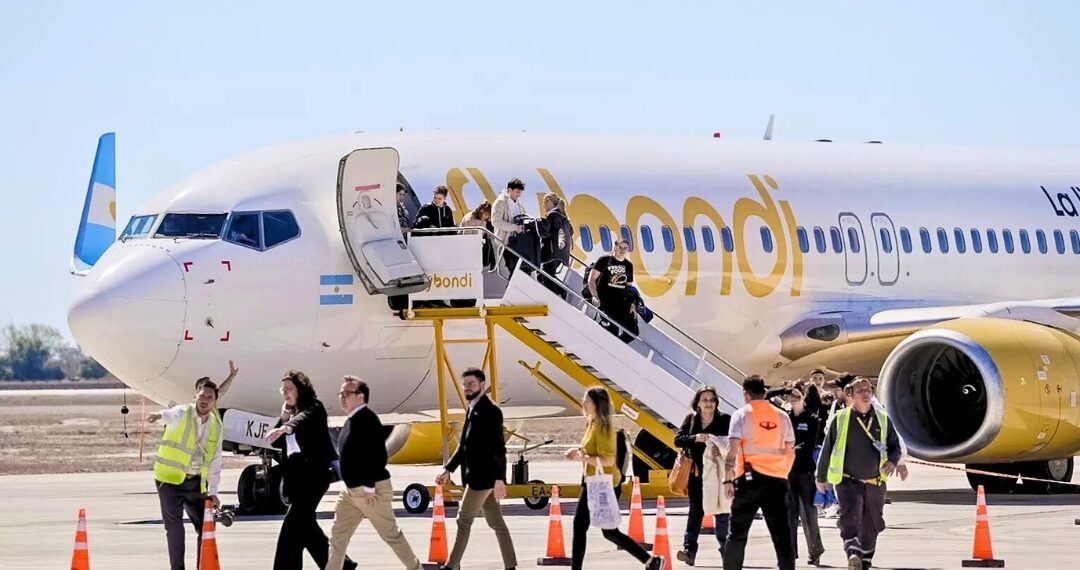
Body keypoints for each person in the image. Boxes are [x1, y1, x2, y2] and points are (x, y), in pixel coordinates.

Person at [566, 387, 666, 570]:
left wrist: (581, 457)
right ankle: (651, 561)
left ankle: (651, 561)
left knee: (583, 527)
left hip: (603, 484)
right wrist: (578, 452)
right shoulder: (592, 423)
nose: (583, 403)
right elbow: (592, 451)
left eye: (586, 401)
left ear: (596, 404)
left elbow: (608, 460)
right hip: (593, 482)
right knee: (606, 531)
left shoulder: (604, 427)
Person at [327, 376, 421, 570]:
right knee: (338, 535)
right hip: (351, 492)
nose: (342, 397)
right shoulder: (351, 420)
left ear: (360, 397)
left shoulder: (368, 420)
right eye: (341, 394)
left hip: (371, 490)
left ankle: (415, 568)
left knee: (391, 535)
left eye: (347, 393)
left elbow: (377, 457)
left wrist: (369, 487)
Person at [817, 377, 906, 570]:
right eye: (860, 391)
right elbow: (827, 448)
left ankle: (865, 559)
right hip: (848, 481)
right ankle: (853, 553)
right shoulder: (840, 419)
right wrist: (821, 476)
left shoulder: (882, 418)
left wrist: (893, 461)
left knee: (872, 523)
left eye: (868, 390)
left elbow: (894, 445)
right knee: (849, 517)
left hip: (875, 481)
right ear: (851, 395)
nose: (865, 394)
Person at [435, 368, 517, 570]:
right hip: (477, 476)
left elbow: (499, 447)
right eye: (465, 385)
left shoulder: (490, 411)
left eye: (471, 384)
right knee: (497, 523)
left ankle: (451, 566)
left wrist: (499, 479)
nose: (467, 388)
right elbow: (464, 445)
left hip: (483, 478)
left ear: (482, 384)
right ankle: (511, 566)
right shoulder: (472, 408)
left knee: (463, 520)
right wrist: (449, 469)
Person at [265, 370, 347, 570]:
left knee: (290, 530)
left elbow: (303, 419)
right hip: (295, 480)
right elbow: (275, 443)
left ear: (300, 389)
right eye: (283, 390)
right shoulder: (289, 415)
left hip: (314, 477)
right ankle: (341, 566)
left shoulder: (314, 408)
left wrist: (286, 427)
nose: (285, 394)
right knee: (308, 531)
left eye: (289, 389)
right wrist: (283, 418)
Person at [146, 378, 224, 570]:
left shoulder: (216, 425)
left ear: (215, 401)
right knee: (174, 529)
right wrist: (158, 415)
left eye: (210, 397)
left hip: (196, 483)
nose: (205, 400)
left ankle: (203, 566)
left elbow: (215, 460)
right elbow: (171, 415)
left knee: (207, 527)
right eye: (202, 395)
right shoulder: (183, 412)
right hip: (169, 481)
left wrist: (213, 491)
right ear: (195, 396)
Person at [722, 375, 797, 570]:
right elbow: (790, 448)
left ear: (746, 395)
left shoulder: (741, 415)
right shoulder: (782, 415)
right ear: (764, 392)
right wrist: (783, 471)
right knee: (782, 535)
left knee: (737, 534)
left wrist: (727, 481)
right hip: (777, 481)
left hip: (748, 480)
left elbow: (731, 453)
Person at [674, 386, 732, 566]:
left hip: (717, 474)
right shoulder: (691, 420)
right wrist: (694, 438)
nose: (709, 403)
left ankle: (727, 553)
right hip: (697, 474)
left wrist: (720, 447)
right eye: (705, 400)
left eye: (712, 400)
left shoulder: (725, 420)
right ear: (697, 403)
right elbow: (677, 440)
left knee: (721, 513)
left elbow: (733, 443)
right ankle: (689, 551)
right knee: (695, 512)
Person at [785, 385, 825, 566]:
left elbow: (809, 443)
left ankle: (815, 551)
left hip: (805, 471)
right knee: (789, 514)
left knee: (808, 513)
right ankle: (790, 553)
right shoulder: (785, 418)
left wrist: (793, 447)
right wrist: (783, 391)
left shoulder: (811, 419)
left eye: (797, 395)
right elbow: (767, 396)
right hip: (787, 471)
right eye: (790, 396)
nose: (793, 398)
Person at [588, 239, 637, 342]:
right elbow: (592, 279)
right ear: (615, 248)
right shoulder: (604, 260)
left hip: (621, 303)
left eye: (625, 248)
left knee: (633, 331)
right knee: (612, 328)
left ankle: (616, 345)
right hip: (605, 301)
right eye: (620, 247)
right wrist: (594, 296)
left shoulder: (629, 265)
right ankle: (608, 344)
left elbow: (629, 288)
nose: (622, 250)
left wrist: (632, 304)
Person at [537, 192, 573, 297]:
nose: (543, 205)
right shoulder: (562, 217)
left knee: (546, 276)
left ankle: (560, 292)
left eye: (545, 202)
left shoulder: (553, 216)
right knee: (543, 275)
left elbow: (547, 232)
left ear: (550, 202)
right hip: (560, 254)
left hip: (552, 253)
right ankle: (560, 291)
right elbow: (570, 231)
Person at [491, 178, 528, 277]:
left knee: (521, 272)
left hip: (518, 242)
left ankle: (515, 291)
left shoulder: (518, 203)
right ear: (509, 190)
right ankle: (512, 290)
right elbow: (496, 221)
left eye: (520, 192)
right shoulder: (500, 202)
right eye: (517, 192)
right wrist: (514, 227)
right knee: (514, 271)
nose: (519, 195)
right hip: (506, 242)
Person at [461, 201, 495, 269]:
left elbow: (483, 230)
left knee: (487, 241)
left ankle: (490, 261)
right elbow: (466, 237)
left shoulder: (483, 219)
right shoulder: (470, 219)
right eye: (485, 214)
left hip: (476, 241)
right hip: (467, 242)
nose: (487, 217)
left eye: (488, 215)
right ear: (480, 211)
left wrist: (487, 234)